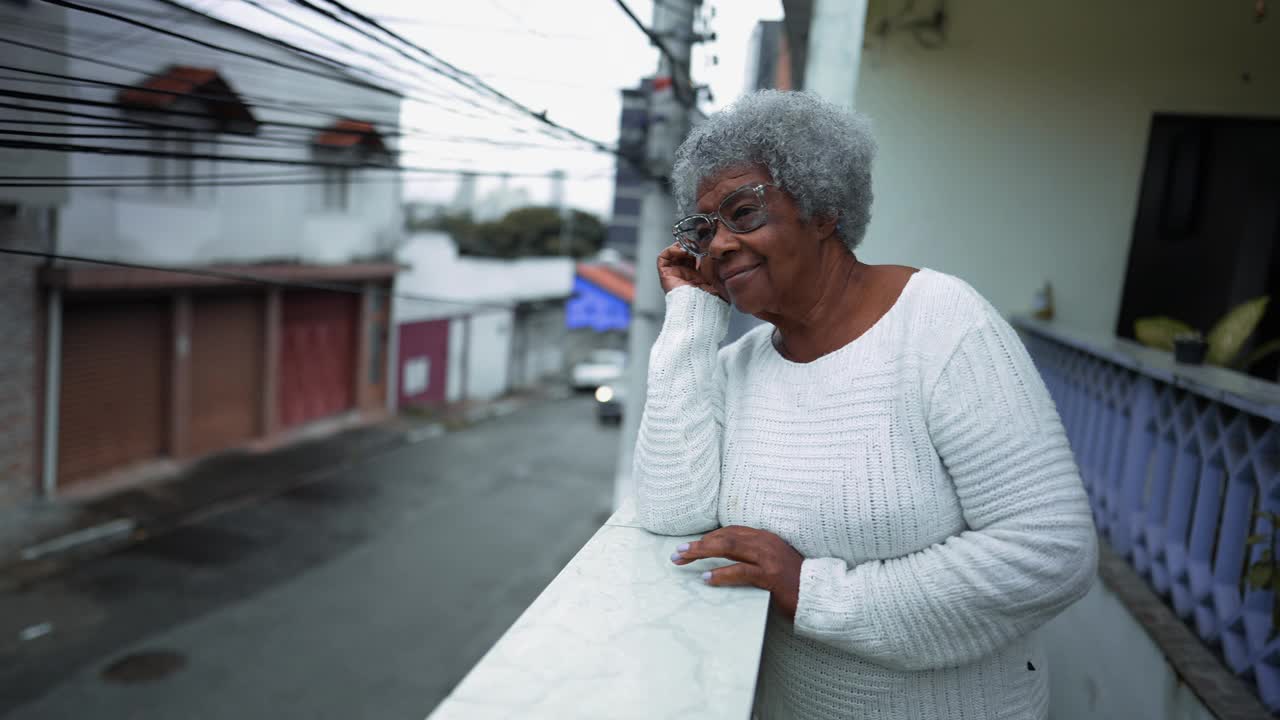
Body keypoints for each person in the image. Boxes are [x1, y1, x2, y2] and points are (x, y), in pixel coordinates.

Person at [632, 90, 1097, 720]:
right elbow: (671, 510)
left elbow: (1049, 551)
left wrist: (812, 591)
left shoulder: (941, 325)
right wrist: (691, 314)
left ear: (823, 208)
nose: (716, 245)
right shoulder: (735, 368)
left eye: (743, 213)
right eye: (704, 228)